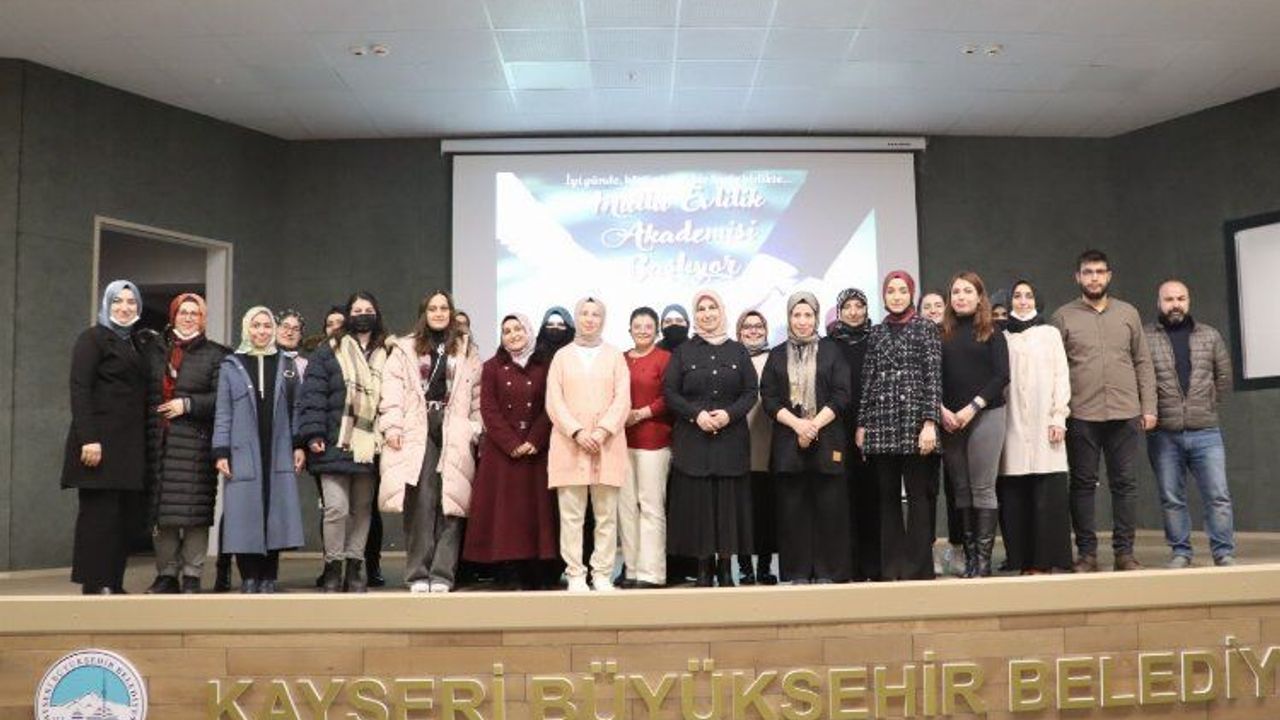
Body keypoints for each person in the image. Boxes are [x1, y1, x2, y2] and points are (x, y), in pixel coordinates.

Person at [1051, 249, 1157, 572]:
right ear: (1078, 277)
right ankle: (1087, 554)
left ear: (1108, 276)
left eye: (1099, 272)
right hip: (1081, 414)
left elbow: (1143, 361)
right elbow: (1055, 369)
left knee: (1125, 484)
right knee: (1082, 485)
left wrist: (1148, 406)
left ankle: (1125, 554)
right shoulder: (1063, 317)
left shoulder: (1128, 313)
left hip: (1125, 413)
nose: (1094, 278)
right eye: (1088, 272)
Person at [379, 291, 482, 593]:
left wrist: (475, 429)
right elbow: (392, 391)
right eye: (433, 308)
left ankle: (442, 574)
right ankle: (417, 574)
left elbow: (477, 396)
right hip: (417, 426)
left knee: (451, 501)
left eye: (444, 308)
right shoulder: (405, 348)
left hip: (454, 427)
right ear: (424, 313)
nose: (439, 313)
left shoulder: (466, 349)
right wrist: (392, 426)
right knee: (421, 502)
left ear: (451, 312)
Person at [297, 291, 390, 592]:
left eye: (368, 309)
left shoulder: (387, 352)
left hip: (370, 444)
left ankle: (355, 566)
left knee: (362, 510)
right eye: (357, 310)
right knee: (336, 508)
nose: (362, 315)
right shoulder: (328, 350)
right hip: (333, 442)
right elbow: (313, 395)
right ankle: (333, 566)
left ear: (377, 314)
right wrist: (313, 434)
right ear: (348, 315)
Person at [664, 289, 757, 587]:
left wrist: (729, 415)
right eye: (701, 309)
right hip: (694, 441)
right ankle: (703, 568)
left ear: (721, 311)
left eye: (712, 307)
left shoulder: (738, 351)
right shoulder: (683, 352)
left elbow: (750, 392)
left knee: (728, 506)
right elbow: (670, 392)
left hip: (731, 442)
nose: (707, 314)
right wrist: (696, 415)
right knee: (700, 506)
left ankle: (726, 568)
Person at [62, 280, 149, 595]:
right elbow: (80, 389)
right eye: (117, 301)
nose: (124, 308)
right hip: (98, 445)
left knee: (123, 518)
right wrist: (89, 438)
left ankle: (113, 581)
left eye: (131, 302)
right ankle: (94, 582)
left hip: (128, 447)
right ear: (106, 304)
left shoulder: (136, 343)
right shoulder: (92, 339)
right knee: (99, 518)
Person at [211, 307, 306, 593]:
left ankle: (268, 575)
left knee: (274, 510)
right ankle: (249, 575)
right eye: (256, 325)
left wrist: (298, 444)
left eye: (266, 326)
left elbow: (297, 407)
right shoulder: (232, 365)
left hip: (278, 448)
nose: (262, 331)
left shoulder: (286, 364)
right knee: (244, 511)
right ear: (246, 328)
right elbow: (223, 411)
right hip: (243, 450)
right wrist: (221, 450)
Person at [856, 271, 942, 581]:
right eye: (890, 290)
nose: (896, 296)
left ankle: (918, 568)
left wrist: (930, 423)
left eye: (902, 290)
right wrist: (862, 424)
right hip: (882, 423)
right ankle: (891, 566)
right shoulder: (877, 332)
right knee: (887, 497)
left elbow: (933, 378)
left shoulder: (926, 328)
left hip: (915, 423)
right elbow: (868, 380)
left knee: (918, 497)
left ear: (911, 294)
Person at [1144, 279, 1236, 568]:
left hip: (1206, 431)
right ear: (1159, 303)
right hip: (1163, 433)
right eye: (1169, 299)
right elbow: (1141, 379)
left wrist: (1207, 404)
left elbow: (1224, 376)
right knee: (1172, 498)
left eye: (1181, 299)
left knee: (1218, 496)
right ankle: (1181, 552)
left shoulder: (1209, 335)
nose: (1175, 305)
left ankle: (1223, 552)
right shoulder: (1145, 338)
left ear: (1188, 301)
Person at [761, 292, 852, 584]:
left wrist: (813, 425)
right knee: (792, 511)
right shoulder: (777, 354)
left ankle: (828, 571)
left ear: (816, 317)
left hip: (827, 438)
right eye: (796, 315)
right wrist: (798, 425)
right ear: (789, 318)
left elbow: (842, 394)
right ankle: (797, 572)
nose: (802, 321)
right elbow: (769, 399)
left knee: (829, 508)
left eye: (808, 315)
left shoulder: (832, 351)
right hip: (789, 442)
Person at [463, 313, 558, 588]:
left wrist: (535, 439)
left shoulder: (545, 366)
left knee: (536, 513)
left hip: (536, 451)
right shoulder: (492, 367)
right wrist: (511, 443)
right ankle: (509, 570)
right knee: (506, 515)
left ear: (529, 332)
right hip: (502, 454)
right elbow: (488, 409)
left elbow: (550, 406)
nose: (514, 334)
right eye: (507, 331)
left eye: (518, 329)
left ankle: (537, 570)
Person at [142, 294, 228, 594]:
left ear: (203, 319)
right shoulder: (156, 352)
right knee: (162, 513)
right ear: (173, 316)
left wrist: (188, 404)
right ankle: (166, 574)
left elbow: (222, 398)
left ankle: (192, 574)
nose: (189, 317)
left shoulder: (217, 354)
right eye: (183, 312)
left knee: (194, 513)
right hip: (160, 443)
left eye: (195, 313)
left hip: (196, 444)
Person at [545, 297, 631, 592]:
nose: (590, 318)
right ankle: (576, 574)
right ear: (577, 318)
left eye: (595, 314)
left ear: (602, 320)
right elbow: (554, 401)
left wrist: (603, 431)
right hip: (570, 445)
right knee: (572, 516)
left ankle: (602, 573)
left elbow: (622, 399)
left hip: (607, 446)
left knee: (606, 516)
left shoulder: (615, 356)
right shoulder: (562, 357)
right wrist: (578, 432)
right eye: (584, 313)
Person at [998, 280, 1074, 574]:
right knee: (1017, 495)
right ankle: (1021, 560)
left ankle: (1048, 560)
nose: (1023, 301)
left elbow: (1061, 376)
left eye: (1028, 296)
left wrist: (1058, 417)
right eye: (1017, 296)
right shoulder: (1002, 337)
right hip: (1012, 424)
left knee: (1047, 495)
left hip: (1046, 424)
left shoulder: (1050, 334)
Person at [940, 272, 1010, 577]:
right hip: (949, 420)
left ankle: (982, 562)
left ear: (979, 296)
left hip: (986, 415)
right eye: (956, 291)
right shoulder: (940, 333)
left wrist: (973, 407)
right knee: (961, 490)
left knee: (983, 488)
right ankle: (969, 559)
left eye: (968, 291)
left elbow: (1002, 375)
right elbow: (932, 376)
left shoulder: (992, 331)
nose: (961, 296)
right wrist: (941, 410)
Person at [619, 307, 673, 588]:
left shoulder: (665, 359)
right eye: (637, 325)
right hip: (620, 444)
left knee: (651, 507)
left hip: (655, 441)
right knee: (626, 508)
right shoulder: (619, 359)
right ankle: (631, 569)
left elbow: (670, 397)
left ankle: (652, 573)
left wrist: (641, 413)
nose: (642, 330)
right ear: (629, 329)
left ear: (657, 330)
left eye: (648, 326)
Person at [828, 288, 877, 581]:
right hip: (837, 428)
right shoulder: (829, 344)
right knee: (842, 498)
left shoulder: (877, 339)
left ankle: (873, 565)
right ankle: (847, 567)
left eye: (859, 306)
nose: (854, 312)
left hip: (872, 427)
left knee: (872, 495)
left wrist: (868, 422)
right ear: (839, 311)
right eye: (848, 306)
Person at [735, 310, 778, 585]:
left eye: (758, 326)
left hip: (768, 440)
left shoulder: (775, 357)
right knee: (742, 512)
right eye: (747, 327)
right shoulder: (732, 358)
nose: (753, 331)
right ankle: (744, 567)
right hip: (738, 443)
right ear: (739, 331)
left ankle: (764, 566)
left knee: (766, 510)